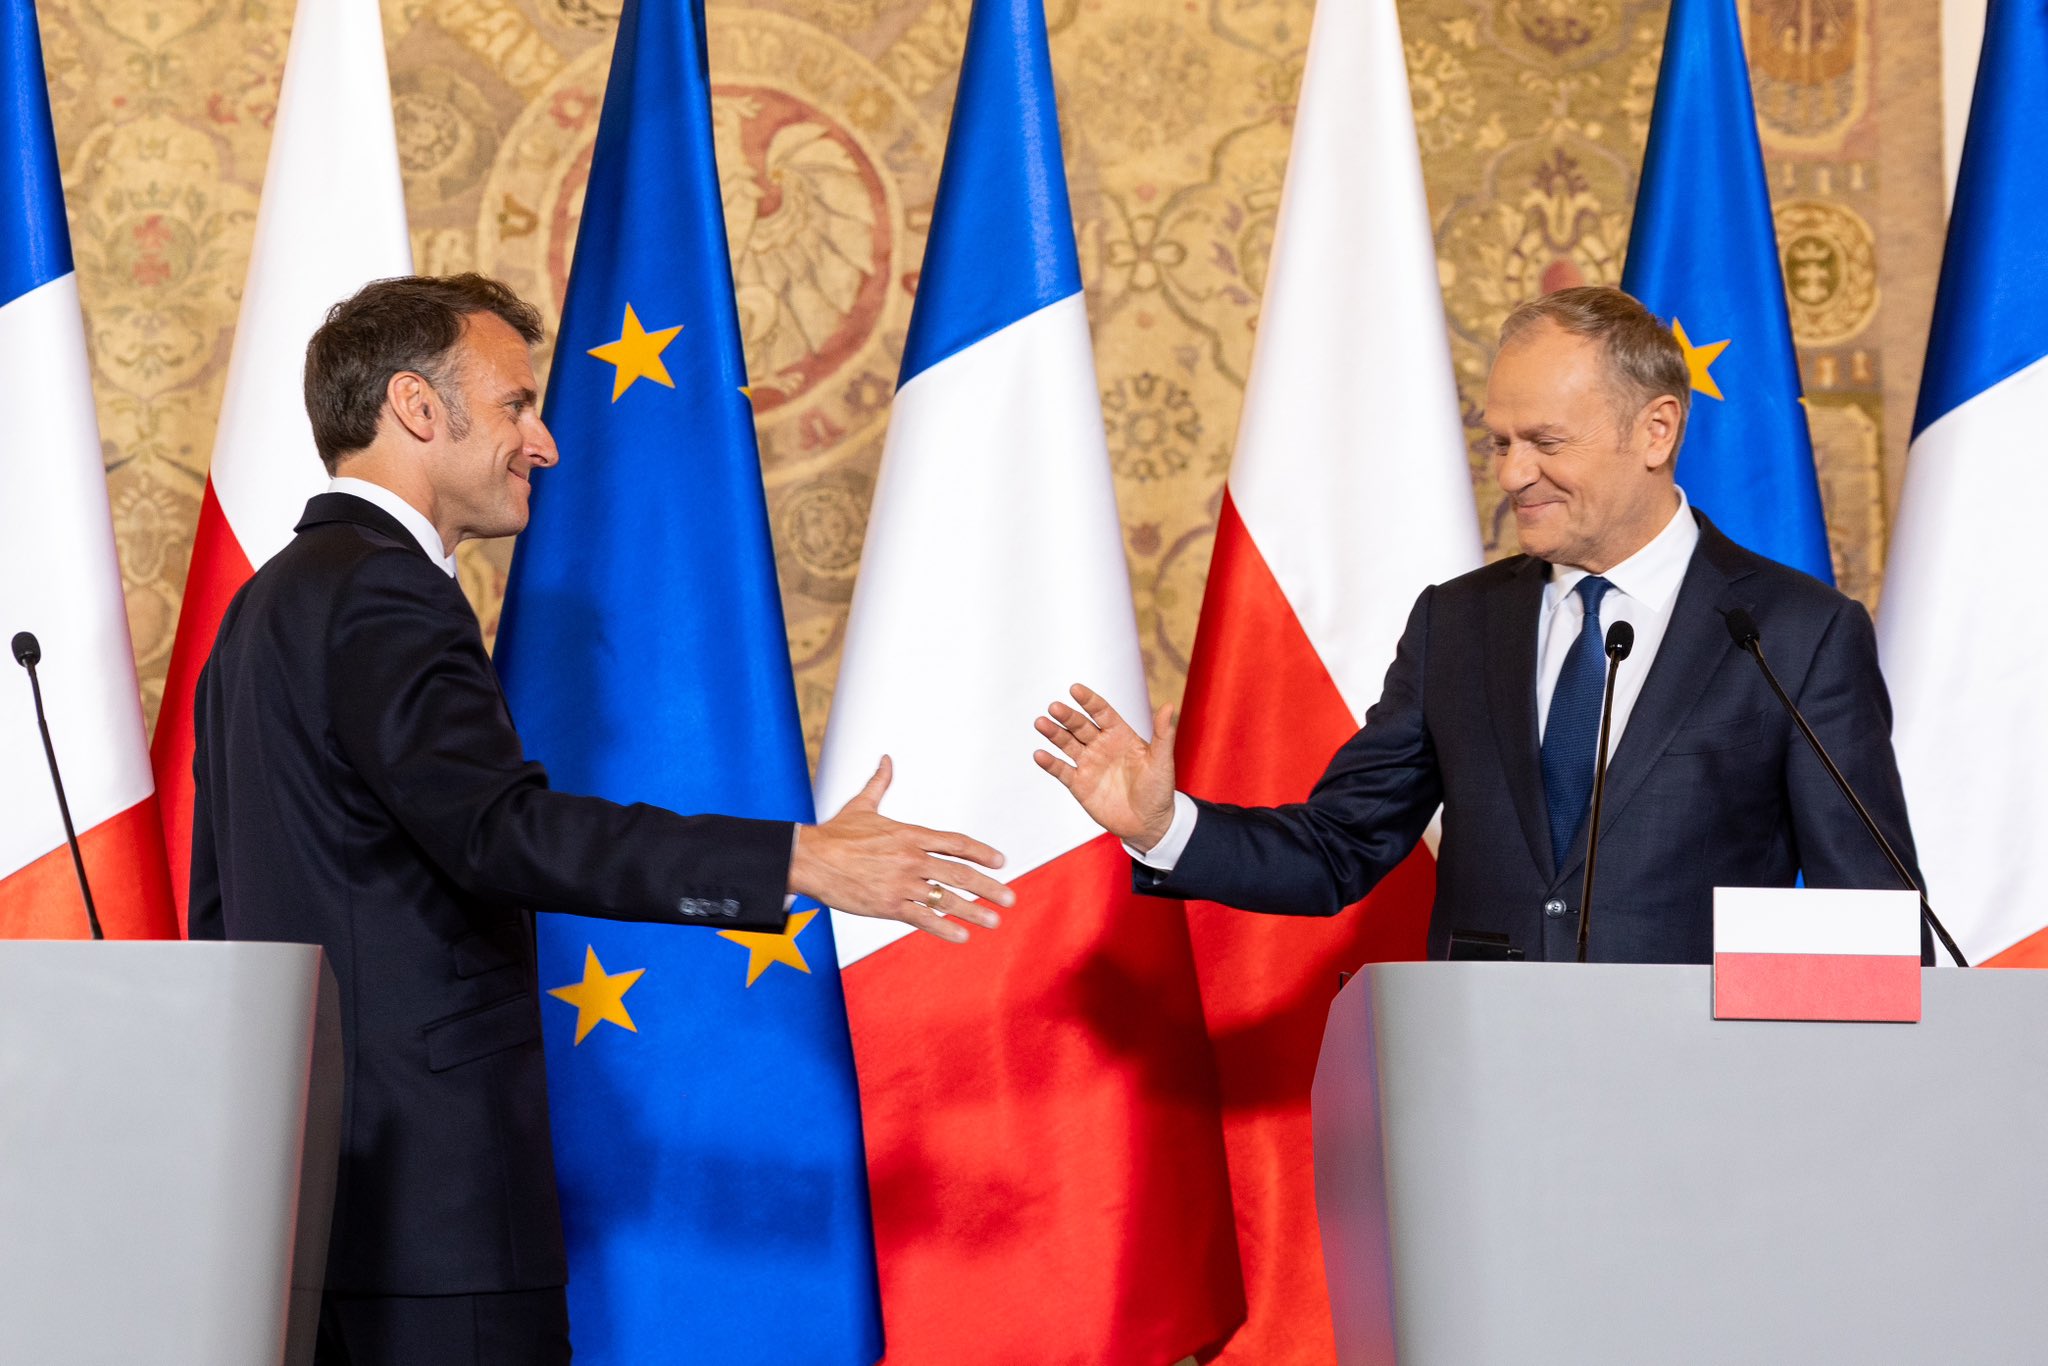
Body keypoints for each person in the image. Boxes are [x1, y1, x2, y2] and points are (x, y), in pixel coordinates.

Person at [186, 274, 1011, 1366]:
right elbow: (500, 832)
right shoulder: (388, 592)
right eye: (519, 404)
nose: (548, 444)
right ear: (417, 409)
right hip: (436, 1223)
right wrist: (795, 859)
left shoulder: (264, 605)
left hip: (308, 1198)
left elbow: (219, 908)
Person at [1034, 284, 1922, 964]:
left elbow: (1872, 917)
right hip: (1483, 1103)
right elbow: (1338, 848)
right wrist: (1161, 826)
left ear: (1656, 431)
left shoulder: (1794, 634)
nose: (1512, 475)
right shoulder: (1457, 625)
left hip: (1703, 1113)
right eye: (1500, 443)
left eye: (1546, 441)